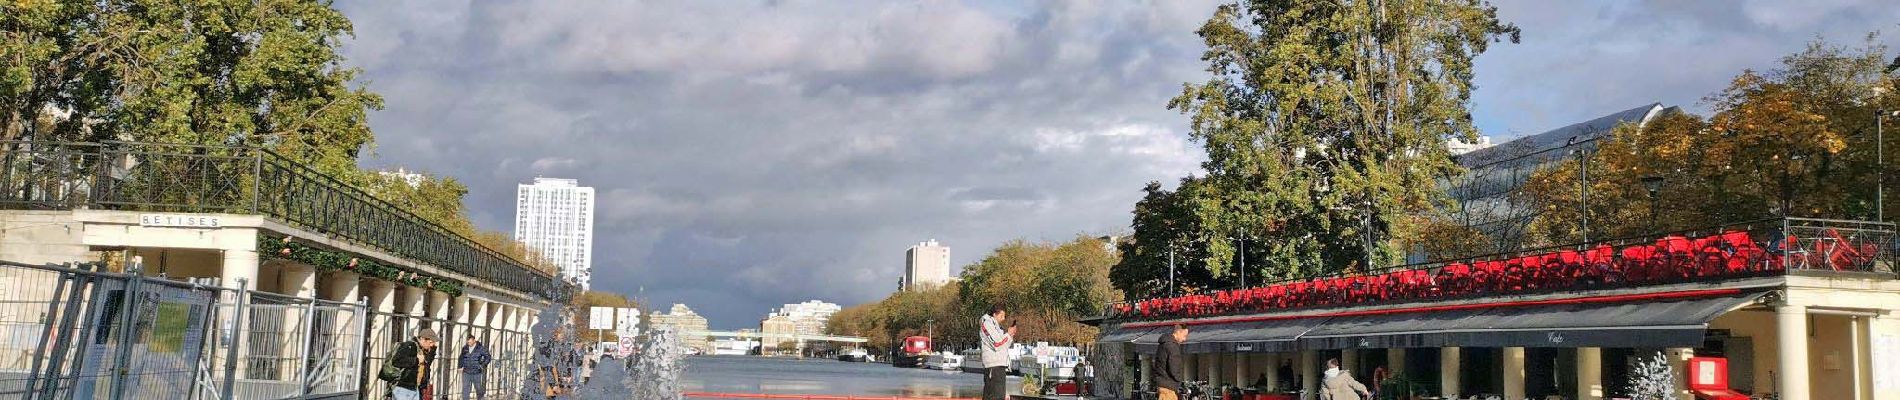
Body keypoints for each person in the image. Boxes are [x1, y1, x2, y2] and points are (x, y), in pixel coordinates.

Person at [979, 304, 1017, 400]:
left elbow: (1003, 346)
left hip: (999, 365)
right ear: (994, 314)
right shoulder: (987, 324)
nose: (1003, 318)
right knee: (994, 396)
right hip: (993, 366)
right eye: (1001, 316)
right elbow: (997, 344)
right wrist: (1008, 334)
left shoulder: (997, 327)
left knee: (997, 395)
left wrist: (1010, 335)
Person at [390, 328, 440, 400]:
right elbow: (396, 361)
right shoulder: (410, 346)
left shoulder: (422, 349)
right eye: (430, 342)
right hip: (403, 388)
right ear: (423, 339)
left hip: (415, 388)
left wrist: (433, 350)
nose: (432, 345)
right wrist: (416, 360)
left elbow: (427, 363)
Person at [1154, 324, 1187, 400]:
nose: (1185, 339)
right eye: (1184, 335)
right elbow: (1174, 367)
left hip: (1162, 384)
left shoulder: (1163, 344)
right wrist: (1179, 380)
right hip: (1168, 386)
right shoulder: (1172, 346)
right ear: (1178, 332)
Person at [457, 334, 491, 400]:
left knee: (478, 388)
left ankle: (480, 398)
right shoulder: (465, 348)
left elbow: (488, 357)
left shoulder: (480, 348)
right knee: (465, 389)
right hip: (466, 372)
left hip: (476, 372)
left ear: (474, 340)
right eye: (467, 342)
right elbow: (461, 358)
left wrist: (482, 365)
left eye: (470, 342)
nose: (468, 343)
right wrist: (460, 367)